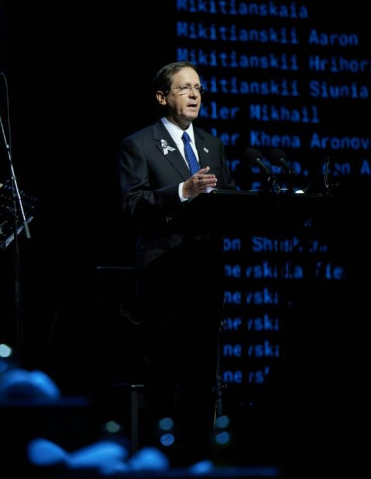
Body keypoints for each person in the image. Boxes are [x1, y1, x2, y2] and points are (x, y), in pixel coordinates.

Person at [118, 61, 237, 464]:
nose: (194, 94)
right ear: (162, 97)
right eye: (184, 88)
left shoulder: (212, 145)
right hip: (163, 276)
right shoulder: (139, 144)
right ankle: (159, 458)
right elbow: (132, 204)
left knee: (203, 377)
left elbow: (227, 202)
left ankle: (199, 456)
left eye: (198, 88)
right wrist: (182, 191)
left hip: (205, 277)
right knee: (165, 373)